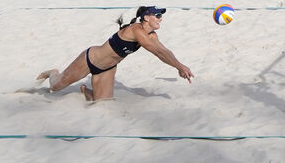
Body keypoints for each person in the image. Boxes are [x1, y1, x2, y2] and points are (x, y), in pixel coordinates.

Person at [36, 6, 192, 101]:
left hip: (109, 68)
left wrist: (179, 66)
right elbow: (158, 52)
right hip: (90, 60)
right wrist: (180, 66)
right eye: (157, 16)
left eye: (161, 16)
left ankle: (86, 91)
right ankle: (53, 72)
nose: (161, 19)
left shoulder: (152, 36)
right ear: (146, 17)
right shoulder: (136, 30)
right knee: (56, 86)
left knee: (103, 102)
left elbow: (164, 51)